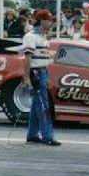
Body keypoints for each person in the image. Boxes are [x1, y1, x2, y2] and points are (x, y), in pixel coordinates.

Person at [22, 9, 61, 146]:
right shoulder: (31, 36)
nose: (51, 23)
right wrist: (26, 77)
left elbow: (43, 57)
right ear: (42, 20)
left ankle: (32, 134)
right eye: (49, 20)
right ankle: (47, 136)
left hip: (42, 71)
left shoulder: (43, 37)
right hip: (36, 73)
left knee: (37, 105)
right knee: (44, 106)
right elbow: (27, 58)